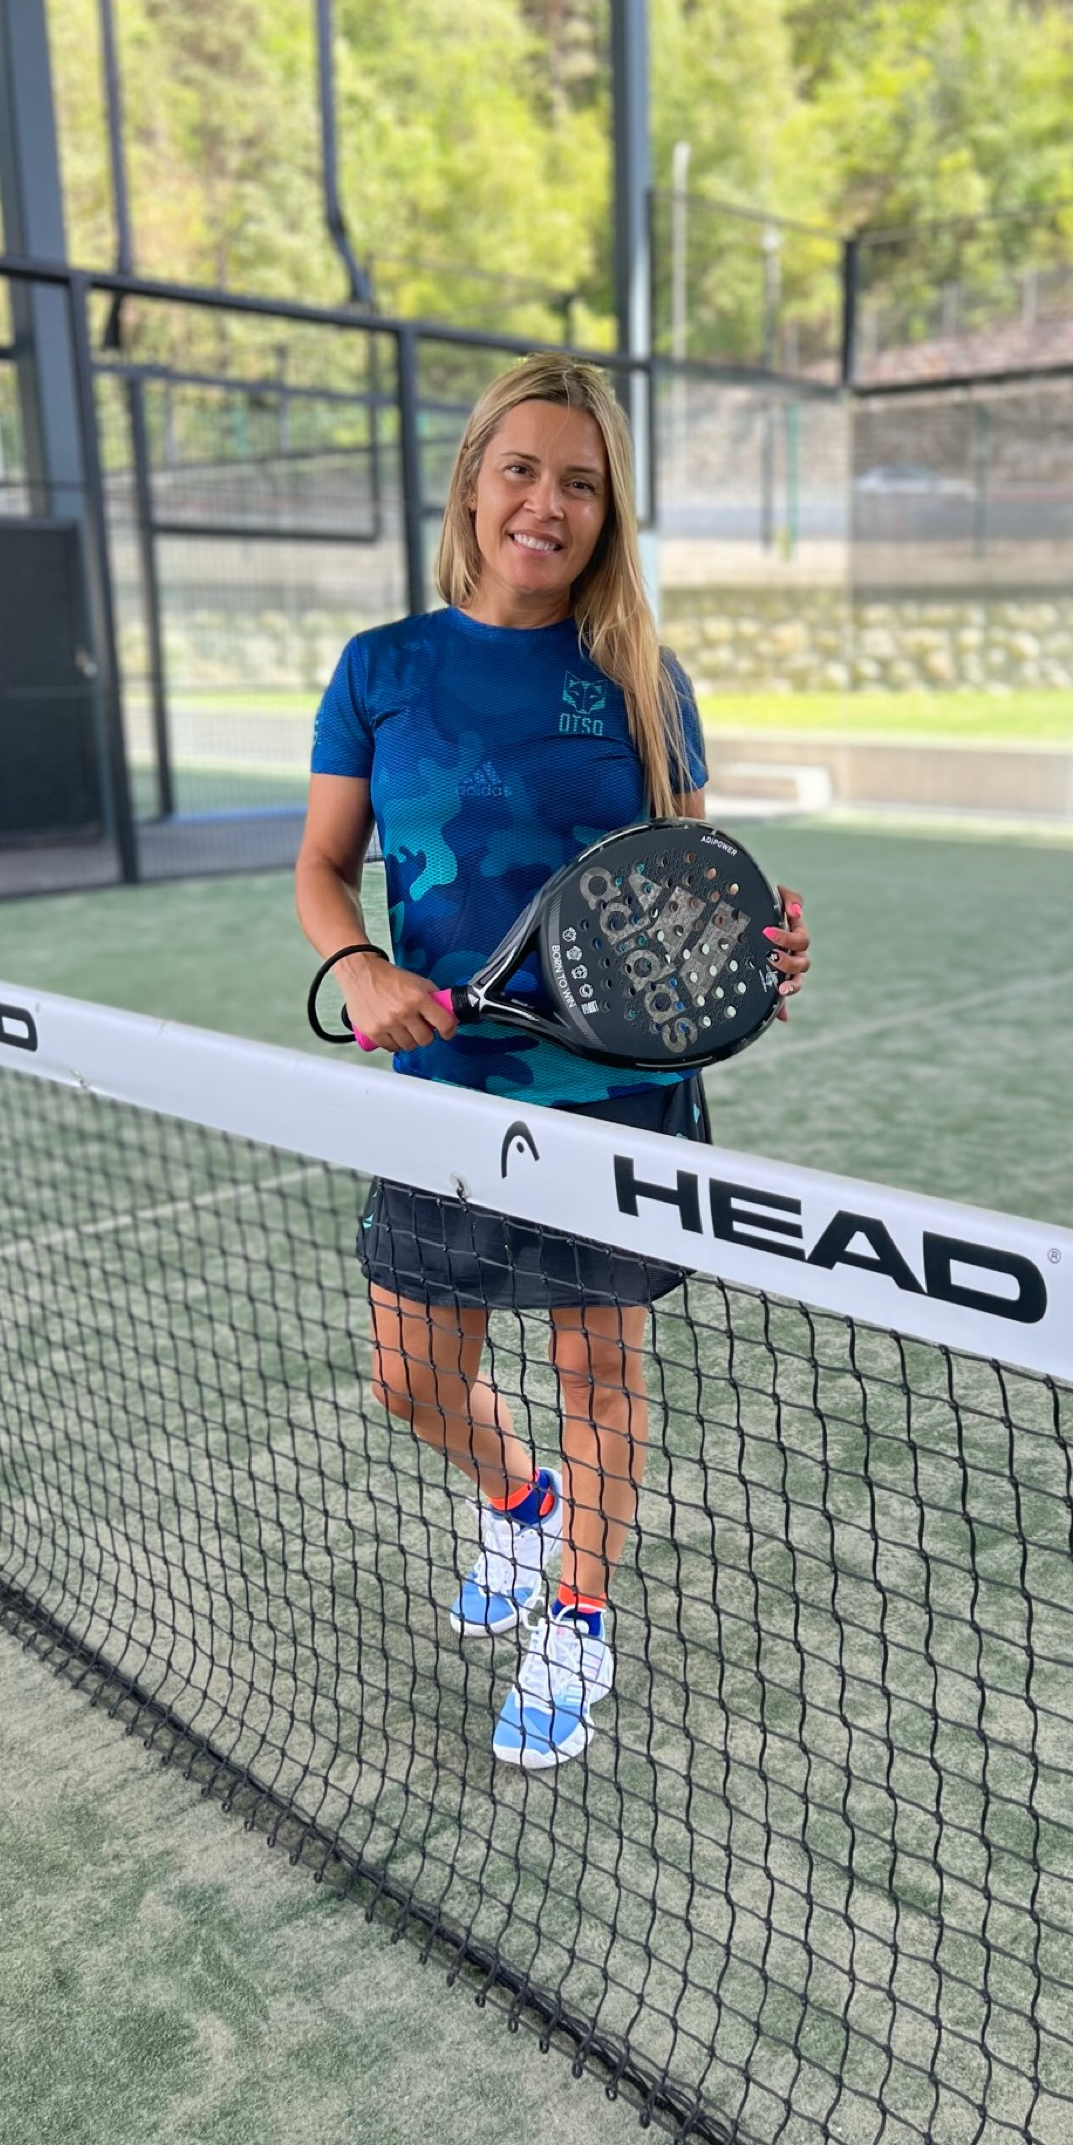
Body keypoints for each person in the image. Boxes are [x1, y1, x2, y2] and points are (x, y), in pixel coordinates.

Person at [295, 354, 811, 1773]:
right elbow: (325, 868)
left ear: (607, 512)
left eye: (580, 483)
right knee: (408, 1380)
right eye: (521, 470)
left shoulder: (644, 680)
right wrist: (361, 967)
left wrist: (761, 951)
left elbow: (698, 884)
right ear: (474, 483)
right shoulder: (383, 670)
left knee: (598, 1373)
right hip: (443, 1097)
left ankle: (579, 1615)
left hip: (617, 1102)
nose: (547, 502)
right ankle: (521, 1506)